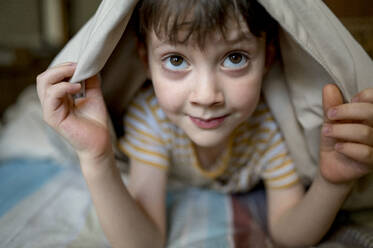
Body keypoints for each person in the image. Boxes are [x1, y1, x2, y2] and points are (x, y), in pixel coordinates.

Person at [36, 0, 373, 247]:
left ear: (268, 58)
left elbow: (287, 234)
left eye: (235, 58)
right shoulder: (151, 118)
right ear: (145, 61)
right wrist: (96, 159)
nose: (207, 95)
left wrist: (332, 183)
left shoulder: (265, 125)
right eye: (177, 59)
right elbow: (144, 242)